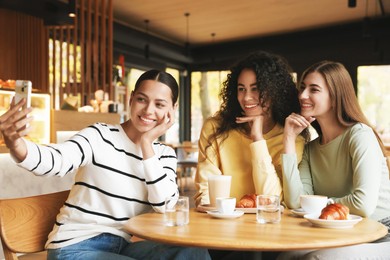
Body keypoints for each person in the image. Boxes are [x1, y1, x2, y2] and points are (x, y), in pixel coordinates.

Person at [1, 70, 211, 260]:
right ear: (131, 99)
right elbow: (55, 160)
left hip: (121, 248)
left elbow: (164, 206)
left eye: (159, 104)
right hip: (75, 247)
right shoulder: (99, 136)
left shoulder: (164, 155)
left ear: (172, 110)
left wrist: (147, 144)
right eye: (141, 99)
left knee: (193, 252)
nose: (148, 110)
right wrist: (16, 143)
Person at [279, 61, 390, 259]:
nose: (303, 95)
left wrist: (318, 206)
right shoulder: (311, 148)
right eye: (303, 87)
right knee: (286, 255)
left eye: (314, 89)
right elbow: (296, 202)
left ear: (336, 96)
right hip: (341, 233)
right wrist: (288, 139)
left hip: (381, 233)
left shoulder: (359, 135)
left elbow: (363, 204)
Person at [194, 50, 308, 207]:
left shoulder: (292, 139)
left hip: (267, 226)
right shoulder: (214, 128)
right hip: (222, 222)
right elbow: (205, 193)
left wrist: (258, 140)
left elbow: (273, 201)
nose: (246, 97)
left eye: (255, 88)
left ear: (275, 91)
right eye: (241, 89)